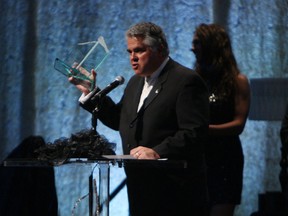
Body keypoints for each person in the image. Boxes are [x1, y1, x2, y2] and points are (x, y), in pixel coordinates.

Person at [70, 22, 210, 216]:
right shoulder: (136, 82)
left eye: (139, 51)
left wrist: (157, 152)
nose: (132, 58)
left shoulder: (186, 80)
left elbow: (195, 132)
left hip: (175, 191)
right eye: (129, 52)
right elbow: (121, 120)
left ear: (160, 49)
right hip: (140, 186)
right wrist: (91, 92)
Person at [191, 23, 250, 216]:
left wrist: (205, 130)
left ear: (212, 45)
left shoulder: (237, 81)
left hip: (225, 158)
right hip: (199, 158)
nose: (192, 48)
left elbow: (239, 124)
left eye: (197, 43)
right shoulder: (194, 79)